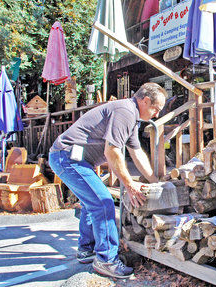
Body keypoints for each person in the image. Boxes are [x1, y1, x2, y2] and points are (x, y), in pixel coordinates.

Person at [48, 82, 167, 278]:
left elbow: (136, 152)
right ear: (145, 101)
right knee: (103, 203)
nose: (157, 114)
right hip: (67, 157)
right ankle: (107, 260)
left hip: (74, 159)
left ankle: (87, 249)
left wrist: (155, 181)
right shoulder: (125, 111)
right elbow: (111, 151)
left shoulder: (132, 118)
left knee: (91, 203)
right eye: (156, 109)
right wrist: (129, 185)